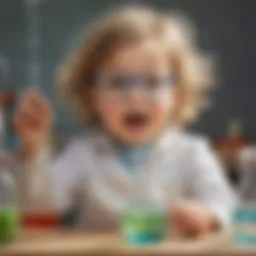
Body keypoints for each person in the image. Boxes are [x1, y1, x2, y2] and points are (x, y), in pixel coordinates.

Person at [14, 6, 236, 236]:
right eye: (117, 82)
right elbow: (41, 206)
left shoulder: (191, 153)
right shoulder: (83, 154)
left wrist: (208, 217)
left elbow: (223, 203)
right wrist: (33, 149)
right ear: (92, 96)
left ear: (177, 95)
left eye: (151, 82)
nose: (134, 95)